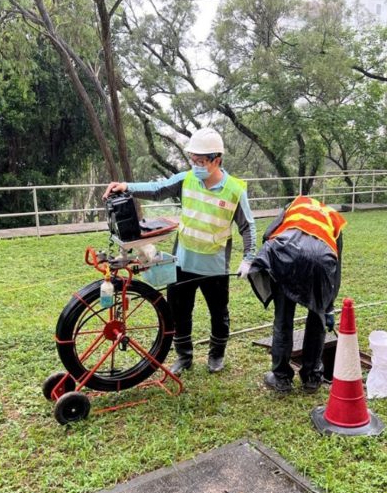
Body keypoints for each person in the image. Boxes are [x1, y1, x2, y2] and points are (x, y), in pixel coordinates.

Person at [103, 128, 256, 376]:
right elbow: (158, 189)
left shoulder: (235, 190)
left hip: (215, 267)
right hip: (183, 261)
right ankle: (184, 356)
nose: (195, 165)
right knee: (179, 311)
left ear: (217, 160)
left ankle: (216, 355)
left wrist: (249, 258)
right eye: (192, 160)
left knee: (219, 313)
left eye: (201, 161)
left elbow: (247, 226)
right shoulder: (187, 179)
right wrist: (126, 186)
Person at [247, 195, 346, 394]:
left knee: (283, 319)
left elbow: (268, 234)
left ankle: (281, 378)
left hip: (286, 254)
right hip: (321, 261)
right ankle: (312, 377)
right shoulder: (334, 218)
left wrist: (273, 268)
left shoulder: (294, 204)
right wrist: (328, 306)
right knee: (317, 318)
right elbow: (336, 265)